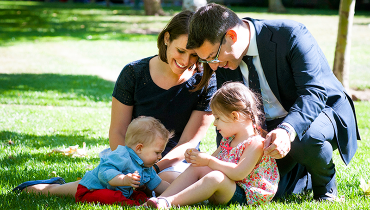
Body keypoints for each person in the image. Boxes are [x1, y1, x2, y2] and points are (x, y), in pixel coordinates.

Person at [12, 10, 216, 197]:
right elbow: (118, 130)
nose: (186, 61)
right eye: (180, 50)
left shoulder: (206, 80)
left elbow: (188, 143)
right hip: (130, 156)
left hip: (174, 162)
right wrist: (131, 167)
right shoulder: (134, 73)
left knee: (173, 184)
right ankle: (50, 189)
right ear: (166, 38)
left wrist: (152, 170)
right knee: (109, 182)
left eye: (194, 55)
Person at [185, 3, 360, 201]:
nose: (214, 67)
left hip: (321, 112)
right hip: (269, 125)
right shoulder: (223, 60)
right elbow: (231, 118)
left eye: (213, 57)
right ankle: (302, 175)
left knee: (304, 138)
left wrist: (287, 129)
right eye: (207, 61)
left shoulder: (290, 34)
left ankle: (325, 189)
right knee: (270, 191)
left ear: (231, 36)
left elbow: (313, 93)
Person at [146, 82, 279, 208]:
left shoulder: (256, 143)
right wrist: (198, 158)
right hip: (224, 189)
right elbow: (209, 163)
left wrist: (209, 161)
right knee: (198, 168)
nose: (215, 124)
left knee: (216, 176)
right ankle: (161, 199)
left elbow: (238, 173)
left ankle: (169, 202)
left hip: (244, 196)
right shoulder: (228, 140)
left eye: (218, 118)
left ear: (234, 116)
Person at [75, 116, 172, 206]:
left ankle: (141, 201)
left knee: (140, 195)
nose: (160, 156)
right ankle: (131, 204)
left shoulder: (147, 167)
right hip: (93, 190)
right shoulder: (121, 156)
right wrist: (124, 179)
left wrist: (176, 190)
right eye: (157, 152)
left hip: (119, 193)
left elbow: (158, 184)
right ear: (139, 148)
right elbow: (104, 172)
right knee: (111, 197)